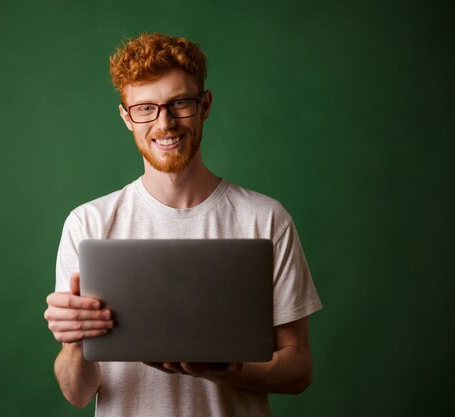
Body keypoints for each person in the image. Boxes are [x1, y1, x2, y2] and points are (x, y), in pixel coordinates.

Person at [43, 32, 322, 417]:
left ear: (204, 105)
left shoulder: (266, 219)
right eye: (146, 108)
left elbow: (299, 369)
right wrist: (74, 344)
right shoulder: (88, 223)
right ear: (127, 117)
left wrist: (226, 371)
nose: (166, 123)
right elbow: (76, 393)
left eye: (180, 104)